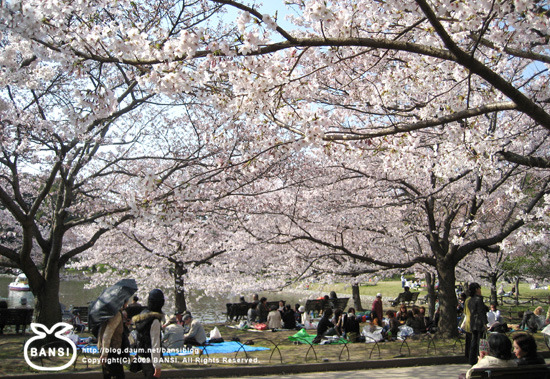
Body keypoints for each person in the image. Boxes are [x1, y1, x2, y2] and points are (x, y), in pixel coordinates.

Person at [133, 289, 165, 378]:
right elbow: (155, 344)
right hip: (151, 360)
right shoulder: (154, 320)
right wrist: (157, 366)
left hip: (142, 356)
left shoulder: (142, 316)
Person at [98, 300, 130, 379]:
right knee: (118, 375)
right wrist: (105, 354)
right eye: (126, 302)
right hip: (112, 349)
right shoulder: (116, 314)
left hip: (105, 348)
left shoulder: (108, 312)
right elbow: (108, 333)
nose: (127, 305)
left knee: (108, 375)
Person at [468, 282, 488, 365]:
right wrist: (485, 323)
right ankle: (478, 358)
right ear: (477, 289)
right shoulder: (478, 299)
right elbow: (481, 311)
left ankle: (471, 359)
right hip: (479, 322)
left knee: (474, 341)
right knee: (480, 341)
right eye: (479, 288)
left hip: (473, 322)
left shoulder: (470, 300)